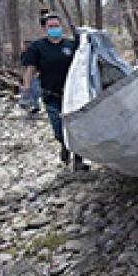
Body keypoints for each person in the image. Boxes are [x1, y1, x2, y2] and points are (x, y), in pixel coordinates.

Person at [20, 13, 90, 171]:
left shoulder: (71, 45)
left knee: (77, 127)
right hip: (51, 94)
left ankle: (79, 160)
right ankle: (65, 146)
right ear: (44, 28)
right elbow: (30, 70)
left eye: (57, 26)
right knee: (59, 130)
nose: (55, 29)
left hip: (73, 94)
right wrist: (26, 91)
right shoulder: (37, 47)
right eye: (51, 26)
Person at [20, 40, 41, 114]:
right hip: (27, 73)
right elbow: (23, 64)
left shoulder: (34, 53)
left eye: (27, 45)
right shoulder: (23, 54)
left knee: (34, 91)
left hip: (34, 74)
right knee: (29, 89)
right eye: (24, 45)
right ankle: (31, 105)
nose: (25, 46)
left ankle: (35, 106)